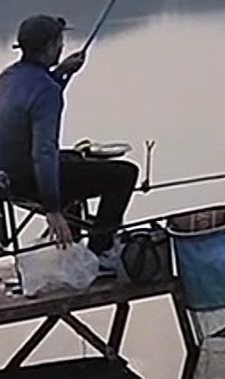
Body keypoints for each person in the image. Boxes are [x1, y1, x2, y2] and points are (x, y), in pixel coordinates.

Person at [0, 15, 138, 275]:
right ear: (52, 45)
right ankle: (102, 250)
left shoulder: (9, 77)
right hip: (30, 180)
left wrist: (63, 72)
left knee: (74, 158)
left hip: (7, 179)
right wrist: (53, 208)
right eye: (59, 41)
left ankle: (73, 242)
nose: (62, 46)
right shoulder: (46, 92)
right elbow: (44, 153)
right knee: (124, 174)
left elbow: (37, 94)